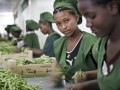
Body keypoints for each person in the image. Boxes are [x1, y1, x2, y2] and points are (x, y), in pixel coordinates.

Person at [65, 0, 120, 90]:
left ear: (112, 7)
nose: (87, 24)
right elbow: (109, 82)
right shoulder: (102, 44)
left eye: (92, 16)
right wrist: (82, 86)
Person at [52, 0, 98, 83]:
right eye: (58, 24)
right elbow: (59, 66)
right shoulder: (59, 44)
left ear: (76, 17)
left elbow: (107, 71)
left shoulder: (91, 42)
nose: (63, 27)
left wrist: (87, 74)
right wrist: (57, 74)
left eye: (66, 20)